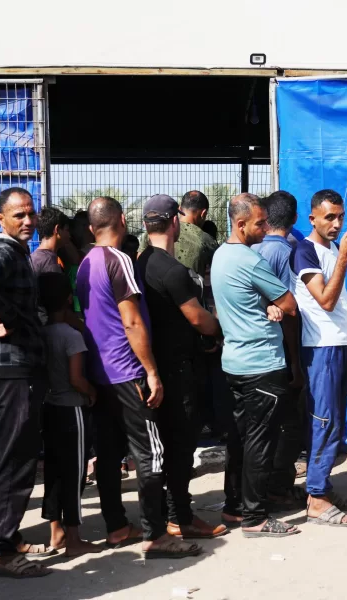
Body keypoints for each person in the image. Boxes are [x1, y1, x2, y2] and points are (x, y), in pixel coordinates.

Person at [76, 196, 200, 559]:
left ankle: (117, 527)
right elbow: (131, 321)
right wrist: (151, 371)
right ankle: (155, 534)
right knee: (151, 453)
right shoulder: (119, 261)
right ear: (121, 220)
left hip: (100, 373)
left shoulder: (84, 264)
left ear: (91, 228)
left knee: (109, 453)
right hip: (127, 371)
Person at [0, 187, 54, 578]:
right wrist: (13, 318)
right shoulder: (2, 250)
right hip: (12, 368)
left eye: (31, 213)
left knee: (20, 454)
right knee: (15, 458)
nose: (28, 221)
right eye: (19, 215)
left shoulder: (15, 252)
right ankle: (3, 552)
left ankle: (11, 538)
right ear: (1, 218)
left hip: (19, 366)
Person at [135, 194, 227, 539]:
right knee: (181, 447)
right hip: (178, 369)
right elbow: (198, 319)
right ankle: (180, 518)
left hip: (155, 366)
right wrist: (219, 327)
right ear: (175, 222)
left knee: (165, 446)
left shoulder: (141, 263)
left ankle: (167, 513)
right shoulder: (172, 271)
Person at [211, 193, 301, 538]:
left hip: (235, 362)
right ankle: (256, 517)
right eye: (260, 223)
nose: (266, 228)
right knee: (261, 442)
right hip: (262, 363)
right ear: (240, 224)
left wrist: (265, 303)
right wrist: (273, 303)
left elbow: (245, 300)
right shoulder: (251, 261)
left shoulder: (220, 256)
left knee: (240, 438)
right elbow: (290, 304)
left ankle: (234, 507)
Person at [291, 190, 347, 527]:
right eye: (329, 218)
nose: (336, 224)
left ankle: (321, 487)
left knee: (334, 420)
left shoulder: (333, 249)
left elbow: (339, 308)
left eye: (340, 217)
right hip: (320, 348)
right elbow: (325, 300)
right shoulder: (305, 251)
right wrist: (345, 259)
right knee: (324, 420)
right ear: (313, 219)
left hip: (337, 346)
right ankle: (317, 497)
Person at [36, 272, 102, 558]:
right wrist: (92, 392)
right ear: (67, 298)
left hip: (50, 407)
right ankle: (74, 537)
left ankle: (56, 531)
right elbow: (76, 379)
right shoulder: (72, 336)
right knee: (75, 474)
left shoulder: (42, 333)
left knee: (54, 472)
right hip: (72, 410)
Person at [253, 191, 308, 503]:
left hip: (254, 351)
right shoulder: (288, 251)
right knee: (290, 423)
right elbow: (289, 311)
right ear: (296, 218)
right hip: (281, 350)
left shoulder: (250, 249)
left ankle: (263, 487)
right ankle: (279, 488)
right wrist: (296, 364)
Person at [139, 190, 219, 278]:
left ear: (180, 209)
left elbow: (139, 260)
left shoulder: (153, 233)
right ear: (203, 213)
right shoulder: (207, 240)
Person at [31, 207, 70, 274]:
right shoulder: (50, 262)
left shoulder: (33, 257)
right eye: (67, 230)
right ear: (57, 229)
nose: (69, 235)